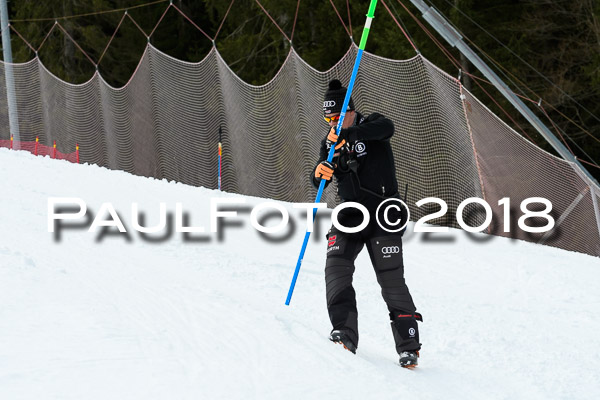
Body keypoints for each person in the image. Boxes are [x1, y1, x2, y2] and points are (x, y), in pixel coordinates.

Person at [312, 79, 422, 368]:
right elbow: (320, 177)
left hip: (384, 213)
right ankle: (344, 333)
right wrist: (320, 170)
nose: (333, 123)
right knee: (336, 269)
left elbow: (387, 129)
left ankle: (409, 346)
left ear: (349, 110)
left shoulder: (370, 123)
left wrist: (350, 133)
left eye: (337, 117)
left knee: (391, 281)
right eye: (328, 119)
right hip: (350, 215)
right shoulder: (329, 141)